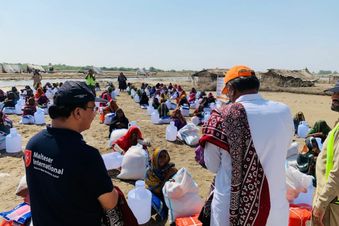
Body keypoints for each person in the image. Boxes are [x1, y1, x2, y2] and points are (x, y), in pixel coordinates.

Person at [199, 65, 294, 226]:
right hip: (274, 205)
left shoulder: (221, 117)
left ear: (231, 89)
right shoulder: (283, 111)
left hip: (230, 209)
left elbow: (213, 166)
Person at [24, 81, 120, 226]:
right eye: (92, 108)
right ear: (77, 112)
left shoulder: (33, 144)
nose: (95, 113)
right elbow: (110, 202)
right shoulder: (86, 156)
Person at [312, 81, 339, 226]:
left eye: (338, 93)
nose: (333, 96)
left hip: (331, 203)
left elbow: (337, 173)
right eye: (334, 93)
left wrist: (321, 204)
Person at [145, 148, 178, 220]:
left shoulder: (169, 168)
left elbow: (176, 182)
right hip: (155, 194)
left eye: (164, 156)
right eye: (160, 157)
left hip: (166, 195)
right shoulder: (150, 172)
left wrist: (175, 176)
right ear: (155, 158)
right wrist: (167, 177)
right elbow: (157, 190)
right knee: (151, 208)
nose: (162, 159)